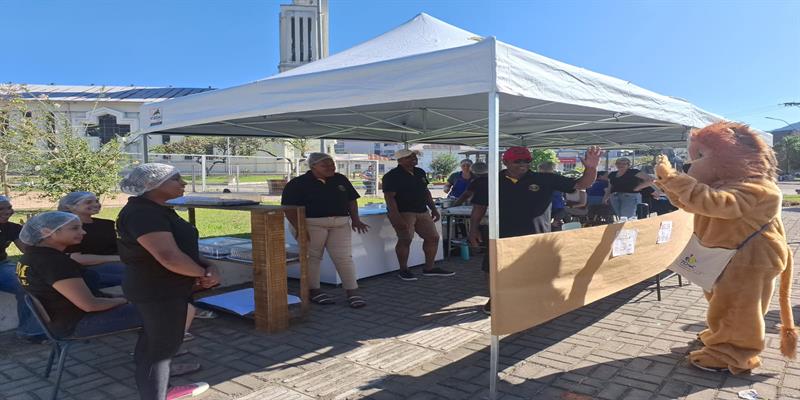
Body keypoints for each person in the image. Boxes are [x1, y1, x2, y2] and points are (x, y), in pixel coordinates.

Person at [117, 163, 214, 400]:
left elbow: (180, 249)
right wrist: (202, 274)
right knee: (160, 351)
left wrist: (209, 268)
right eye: (176, 179)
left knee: (153, 345)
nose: (183, 183)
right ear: (152, 185)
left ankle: (159, 389)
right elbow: (168, 256)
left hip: (164, 288)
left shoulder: (158, 209)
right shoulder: (144, 213)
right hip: (158, 291)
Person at [468, 146, 602, 314]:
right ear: (505, 162)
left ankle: (532, 300)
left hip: (535, 236)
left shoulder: (545, 179)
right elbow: (479, 207)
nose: (523, 164)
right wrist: (473, 230)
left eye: (527, 161)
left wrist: (591, 167)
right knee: (492, 269)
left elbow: (583, 183)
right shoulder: (490, 181)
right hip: (500, 235)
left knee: (534, 271)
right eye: (518, 161)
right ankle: (495, 298)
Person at [15, 211, 140, 337]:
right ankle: (151, 353)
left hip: (63, 321)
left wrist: (117, 298)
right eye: (75, 228)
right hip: (77, 323)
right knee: (155, 310)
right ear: (47, 232)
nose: (83, 232)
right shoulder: (53, 262)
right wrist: (124, 300)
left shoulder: (31, 256)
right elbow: (90, 305)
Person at [281, 152, 369, 308]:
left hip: (340, 224)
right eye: (325, 165)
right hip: (311, 224)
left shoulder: (340, 179)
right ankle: (314, 291)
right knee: (312, 258)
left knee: (344, 258)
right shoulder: (298, 183)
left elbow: (351, 200)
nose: (330, 167)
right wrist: (300, 229)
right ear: (313, 166)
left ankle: (352, 292)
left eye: (332, 164)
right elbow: (288, 209)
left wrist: (355, 219)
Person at [382, 149, 453, 281]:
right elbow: (389, 198)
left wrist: (434, 209)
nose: (413, 158)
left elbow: (426, 192)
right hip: (404, 212)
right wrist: (396, 217)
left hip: (422, 210)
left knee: (433, 237)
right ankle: (403, 270)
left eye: (414, 156)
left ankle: (429, 268)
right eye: (409, 157)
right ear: (400, 160)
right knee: (405, 239)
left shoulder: (420, 172)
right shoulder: (391, 176)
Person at [58, 192, 126, 291]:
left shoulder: (106, 224)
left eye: (97, 201)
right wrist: (117, 258)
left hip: (118, 262)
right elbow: (77, 258)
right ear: (71, 207)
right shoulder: (67, 229)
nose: (96, 204)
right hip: (88, 268)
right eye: (88, 202)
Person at [0, 196, 44, 341]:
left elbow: (28, 251)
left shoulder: (11, 228)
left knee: (28, 283)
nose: (7, 211)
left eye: (9, 207)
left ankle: (30, 331)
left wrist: (32, 236)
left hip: (2, 266)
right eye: (2, 208)